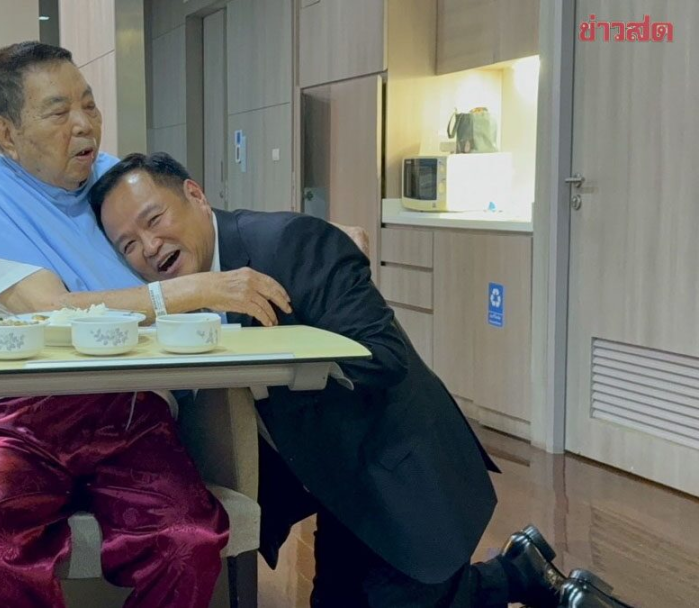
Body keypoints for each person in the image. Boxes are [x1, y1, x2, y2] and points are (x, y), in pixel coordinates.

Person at [89, 152, 631, 608]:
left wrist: (270, 360)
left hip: (397, 469)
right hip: (333, 486)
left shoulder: (292, 242)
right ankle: (517, 568)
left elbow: (383, 356)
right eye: (128, 244)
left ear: (196, 195)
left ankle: (518, 575)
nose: (149, 247)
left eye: (154, 219)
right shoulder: (180, 298)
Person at [0, 41, 296, 608]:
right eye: (58, 112)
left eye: (89, 104)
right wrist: (188, 291)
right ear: (7, 134)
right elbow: (50, 309)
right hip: (23, 416)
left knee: (188, 540)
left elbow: (202, 228)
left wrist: (312, 235)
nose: (84, 124)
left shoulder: (115, 182)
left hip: (134, 408)